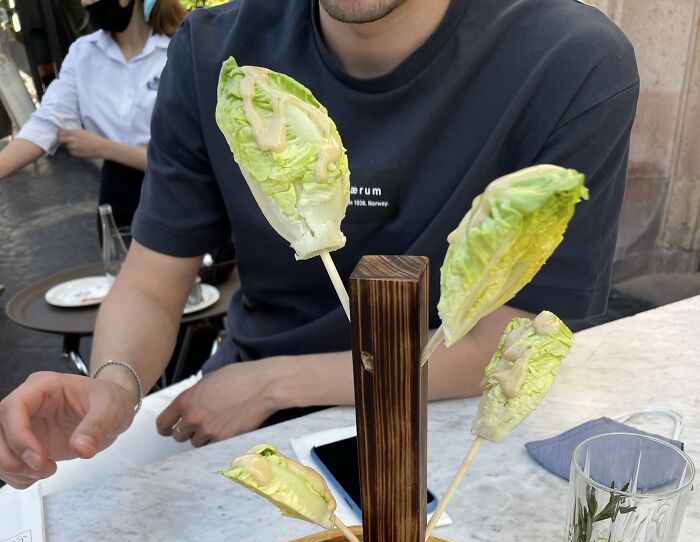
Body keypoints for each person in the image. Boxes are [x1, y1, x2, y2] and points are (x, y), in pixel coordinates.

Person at [0, 0, 639, 490]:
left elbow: (509, 346)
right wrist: (114, 386)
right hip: (245, 424)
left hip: (451, 417)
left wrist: (274, 382)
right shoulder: (215, 51)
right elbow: (150, 282)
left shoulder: (569, 61)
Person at [0, 0, 186, 229]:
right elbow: (48, 121)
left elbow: (186, 160)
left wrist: (104, 148)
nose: (86, 2)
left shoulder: (178, 51)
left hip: (178, 197)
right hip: (118, 197)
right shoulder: (83, 53)